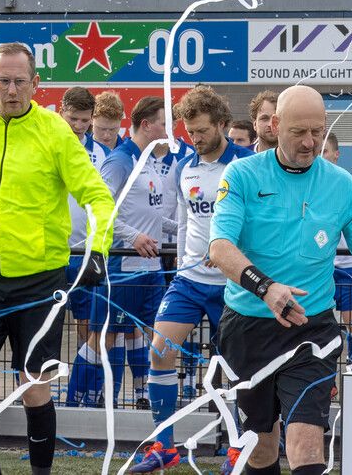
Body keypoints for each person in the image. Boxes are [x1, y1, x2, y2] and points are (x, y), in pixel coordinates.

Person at [209, 85, 352, 475]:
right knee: (261, 448)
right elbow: (220, 248)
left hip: (311, 330)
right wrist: (266, 288)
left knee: (306, 440)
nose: (310, 142)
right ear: (275, 126)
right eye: (299, 132)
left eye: (318, 130)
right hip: (248, 328)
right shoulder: (242, 174)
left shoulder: (342, 184)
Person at [0, 42, 114, 475]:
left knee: (34, 388)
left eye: (19, 81)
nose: (10, 90)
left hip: (39, 283)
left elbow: (97, 197)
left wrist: (98, 249)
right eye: (2, 81)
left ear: (36, 84)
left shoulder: (55, 132)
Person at [129, 86, 253, 473]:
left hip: (232, 286)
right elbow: (186, 223)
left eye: (201, 130)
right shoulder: (186, 167)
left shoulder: (246, 166)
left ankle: (237, 448)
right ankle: (163, 447)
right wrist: (183, 262)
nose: (194, 138)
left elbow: (257, 227)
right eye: (189, 131)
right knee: (159, 351)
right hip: (188, 282)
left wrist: (232, 258)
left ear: (222, 125)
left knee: (235, 370)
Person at [73, 96, 177, 409]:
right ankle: (76, 401)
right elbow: (97, 209)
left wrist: (191, 232)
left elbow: (154, 216)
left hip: (151, 268)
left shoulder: (149, 160)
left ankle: (146, 395)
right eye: (164, 122)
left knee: (152, 335)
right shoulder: (120, 161)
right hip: (122, 270)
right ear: (147, 125)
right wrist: (132, 237)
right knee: (102, 338)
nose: (169, 128)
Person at [59, 87, 114, 407]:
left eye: (84, 120)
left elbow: (104, 202)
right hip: (50, 251)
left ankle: (85, 394)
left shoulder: (103, 154)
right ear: (61, 110)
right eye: (73, 118)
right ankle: (35, 391)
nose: (78, 125)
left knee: (88, 329)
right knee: (45, 331)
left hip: (84, 253)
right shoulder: (48, 143)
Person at [319, 132, 352, 361]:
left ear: (336, 154)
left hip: (348, 267)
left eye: (325, 151)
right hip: (319, 268)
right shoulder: (307, 184)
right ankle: (325, 374)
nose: (320, 156)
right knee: (317, 325)